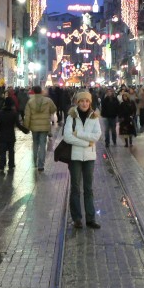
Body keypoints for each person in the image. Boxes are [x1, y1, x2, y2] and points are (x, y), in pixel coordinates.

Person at [63, 91, 102, 229]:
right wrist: (86, 142)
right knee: (75, 188)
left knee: (88, 188)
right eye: (82, 101)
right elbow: (67, 136)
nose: (84, 103)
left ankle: (90, 218)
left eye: (87, 101)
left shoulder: (94, 117)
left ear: (90, 102)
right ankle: (77, 218)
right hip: (75, 156)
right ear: (77, 102)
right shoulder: (71, 117)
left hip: (90, 157)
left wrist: (78, 134)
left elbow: (96, 136)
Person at [24, 85, 57, 171]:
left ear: (34, 92)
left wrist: (26, 127)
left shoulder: (30, 102)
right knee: (42, 145)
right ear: (41, 91)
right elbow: (54, 109)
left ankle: (34, 162)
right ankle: (41, 165)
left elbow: (27, 116)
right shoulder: (48, 100)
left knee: (35, 144)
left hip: (34, 126)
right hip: (45, 126)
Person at [0, 97, 29, 174]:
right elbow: (18, 125)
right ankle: (11, 165)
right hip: (11, 136)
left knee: (2, 152)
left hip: (2, 136)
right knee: (11, 151)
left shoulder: (0, 113)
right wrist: (25, 130)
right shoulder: (14, 113)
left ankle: (2, 166)